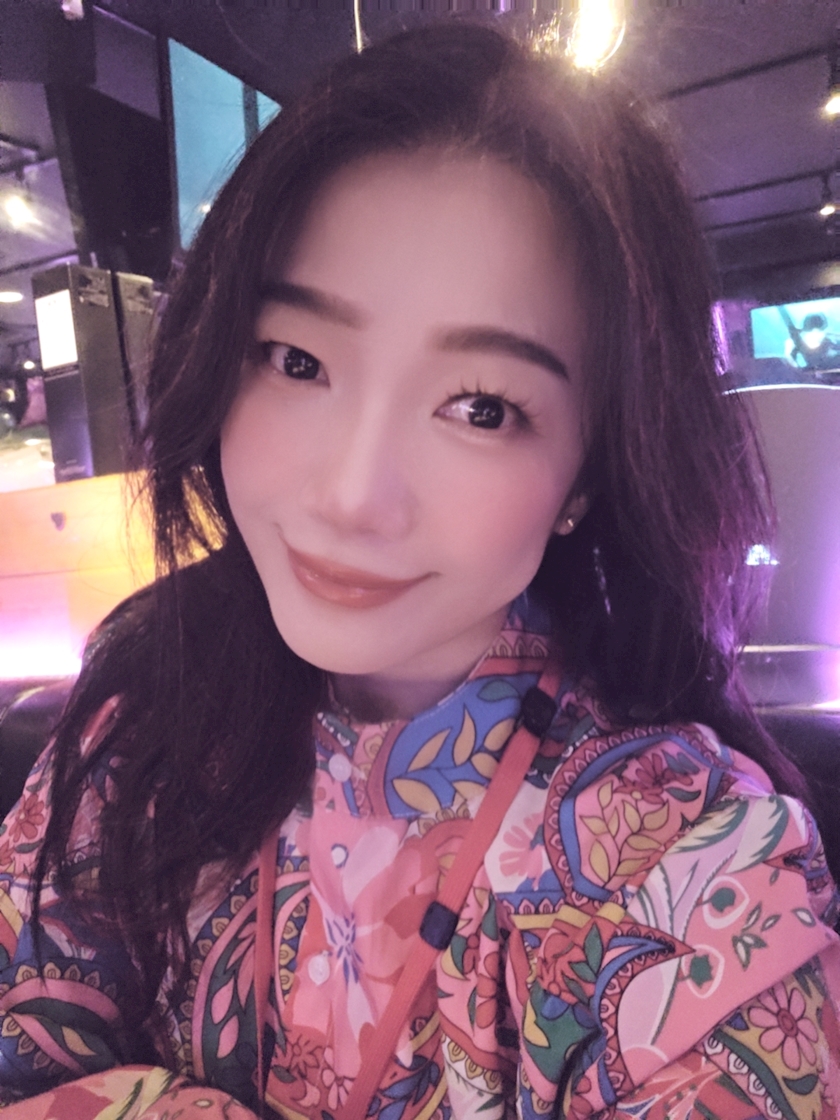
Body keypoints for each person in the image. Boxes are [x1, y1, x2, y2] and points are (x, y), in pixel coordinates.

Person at [1, 21, 838, 1120]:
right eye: (298, 359)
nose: (354, 494)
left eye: (481, 407)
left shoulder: (693, 868)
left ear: (590, 467)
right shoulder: (139, 720)